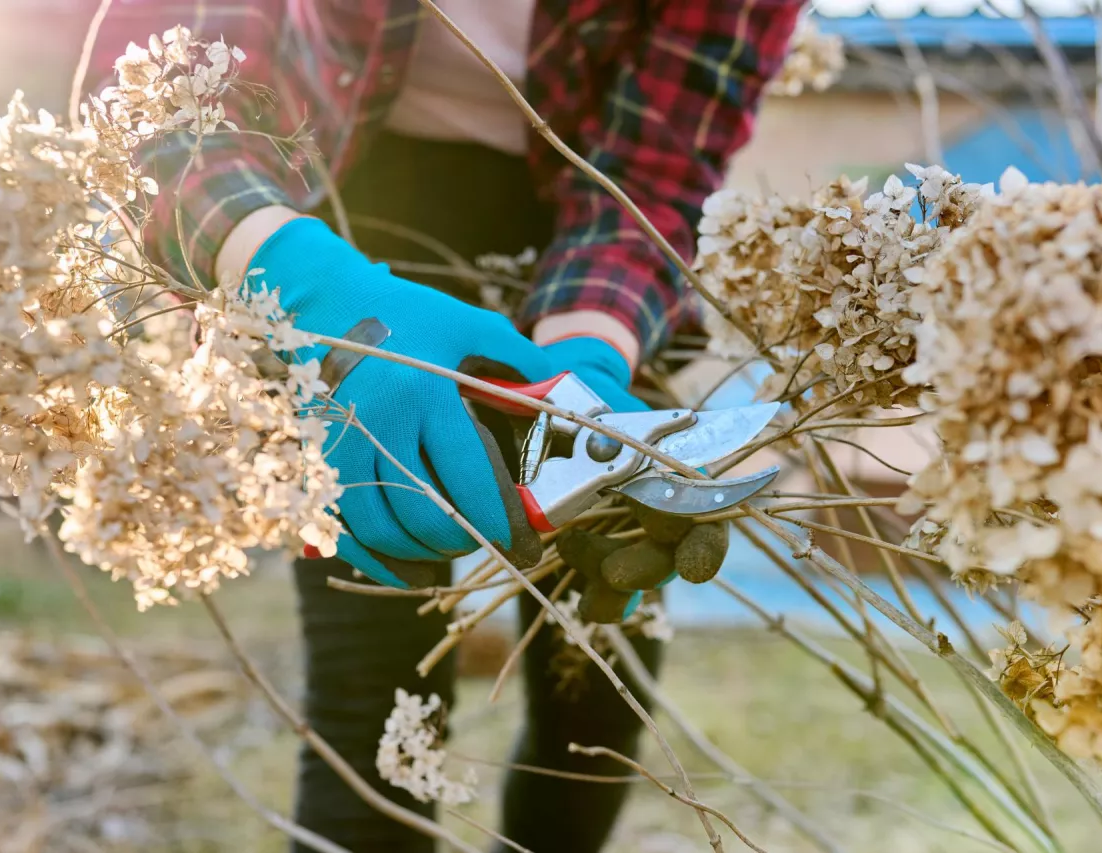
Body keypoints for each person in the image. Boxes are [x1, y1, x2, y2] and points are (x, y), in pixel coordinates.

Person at [88, 2, 802, 850]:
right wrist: (309, 287)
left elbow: (655, 173)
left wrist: (588, 375)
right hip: (348, 223)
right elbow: (164, 93)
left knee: (599, 688)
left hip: (589, 258)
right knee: (374, 693)